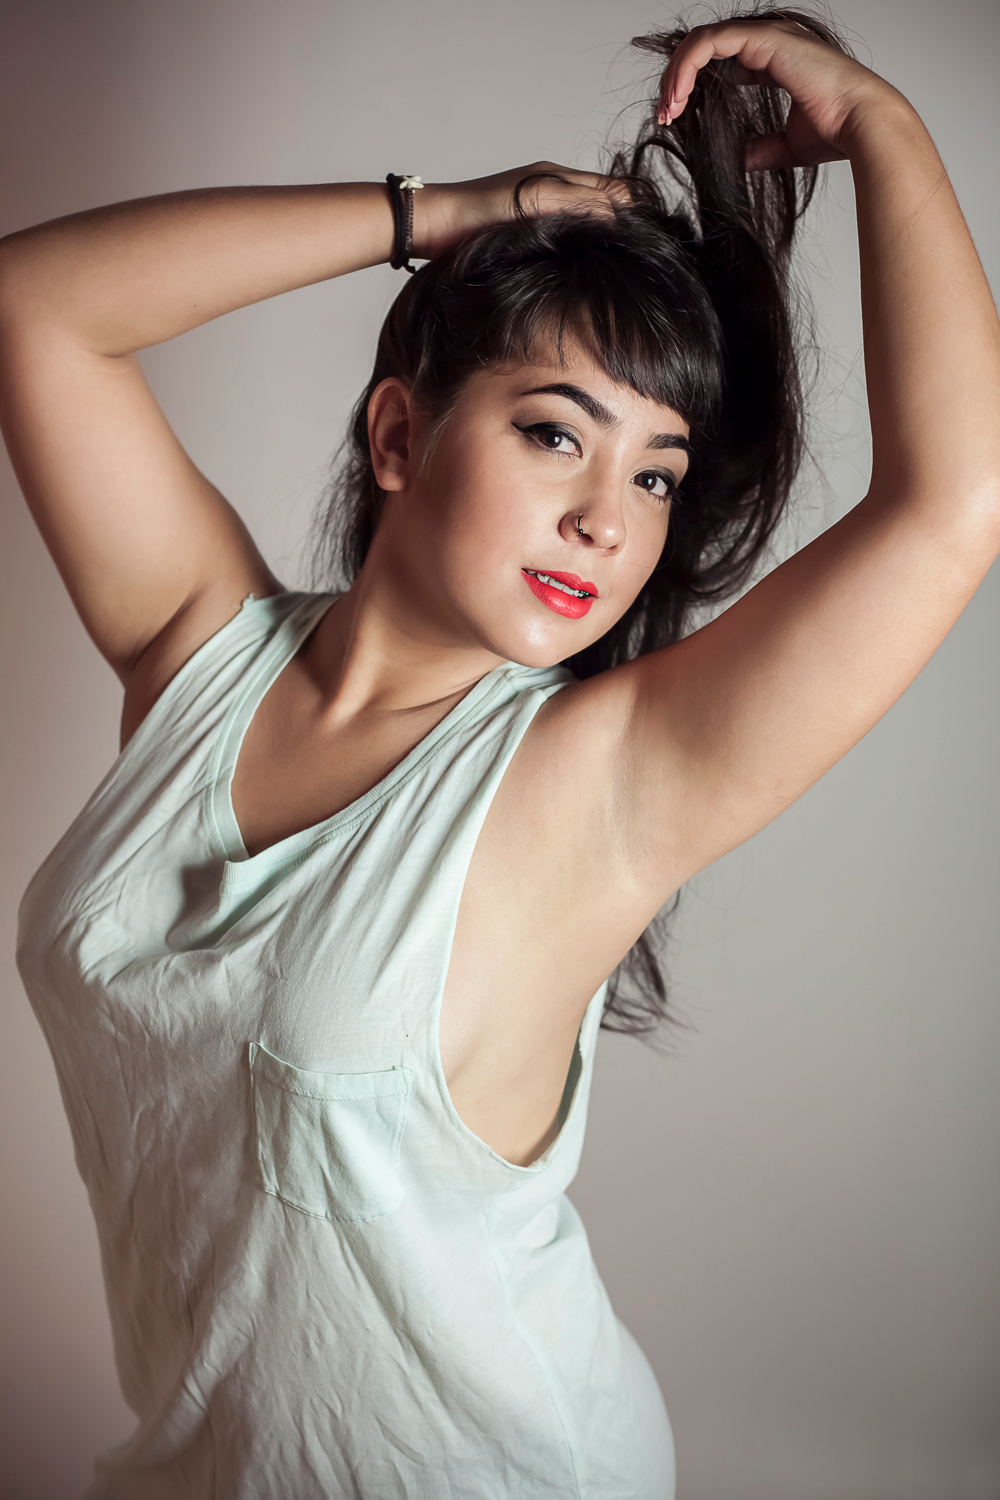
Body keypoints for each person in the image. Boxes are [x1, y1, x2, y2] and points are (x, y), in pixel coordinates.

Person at [2, 5, 997, 1496]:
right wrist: (447, 217)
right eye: (555, 434)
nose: (607, 522)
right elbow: (35, 306)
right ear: (399, 437)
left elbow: (952, 506)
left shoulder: (592, 780)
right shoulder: (198, 654)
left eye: (655, 475)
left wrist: (883, 128)